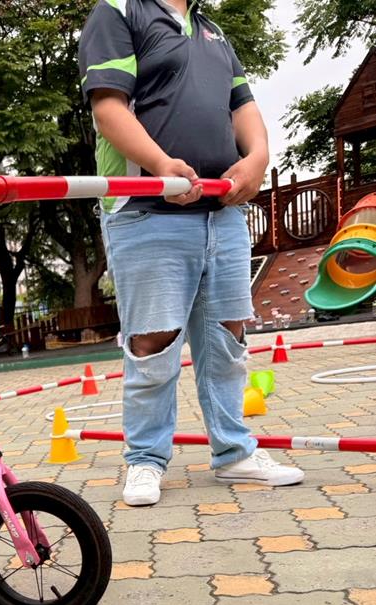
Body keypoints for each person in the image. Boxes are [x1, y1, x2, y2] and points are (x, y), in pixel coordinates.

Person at [79, 0, 304, 506]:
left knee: (228, 336)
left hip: (222, 212)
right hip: (145, 209)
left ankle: (234, 452)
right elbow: (108, 107)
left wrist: (257, 158)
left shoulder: (213, 31)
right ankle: (145, 459)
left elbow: (243, 108)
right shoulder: (119, 11)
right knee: (153, 342)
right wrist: (161, 165)